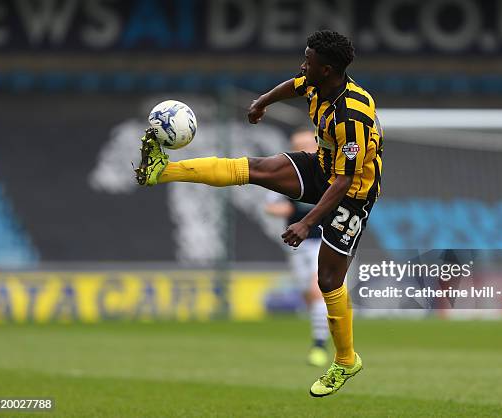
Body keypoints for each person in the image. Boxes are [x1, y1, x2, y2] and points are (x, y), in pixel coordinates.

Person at [134, 30, 383, 397]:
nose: (303, 65)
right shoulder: (319, 83)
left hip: (353, 194)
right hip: (322, 167)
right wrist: (262, 102)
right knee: (253, 168)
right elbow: (294, 85)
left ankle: (346, 360)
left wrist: (306, 221)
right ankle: (159, 172)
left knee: (328, 280)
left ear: (327, 69)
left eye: (309, 61)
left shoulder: (351, 117)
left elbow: (345, 183)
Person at [264, 128, 329, 367]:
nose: (302, 150)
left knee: (317, 290)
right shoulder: (287, 175)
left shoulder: (330, 172)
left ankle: (320, 345)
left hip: (324, 240)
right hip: (298, 244)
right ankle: (325, 329)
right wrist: (292, 210)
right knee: (309, 296)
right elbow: (270, 207)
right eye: (296, 145)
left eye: (306, 145)